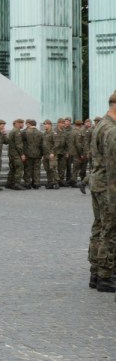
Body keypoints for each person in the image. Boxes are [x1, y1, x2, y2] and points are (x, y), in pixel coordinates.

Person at [88, 92, 116, 292]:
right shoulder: (111, 130)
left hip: (98, 184)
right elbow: (113, 167)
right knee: (111, 230)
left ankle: (96, 272)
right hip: (109, 187)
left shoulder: (100, 125)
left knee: (99, 227)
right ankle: (106, 276)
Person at [6, 118, 26, 190]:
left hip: (11, 154)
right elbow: (19, 144)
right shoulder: (17, 132)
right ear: (18, 123)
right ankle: (17, 184)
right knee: (19, 168)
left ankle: (9, 183)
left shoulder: (12, 131)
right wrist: (22, 154)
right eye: (22, 123)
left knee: (13, 169)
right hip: (16, 154)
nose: (23, 125)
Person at [22, 119, 43, 189]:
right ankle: (36, 183)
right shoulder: (40, 133)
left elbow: (23, 144)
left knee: (28, 169)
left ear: (29, 124)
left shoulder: (25, 133)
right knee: (36, 169)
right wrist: (42, 153)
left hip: (28, 153)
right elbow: (42, 145)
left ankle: (27, 183)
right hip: (37, 154)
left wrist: (23, 153)